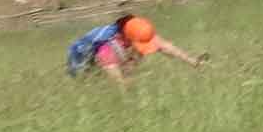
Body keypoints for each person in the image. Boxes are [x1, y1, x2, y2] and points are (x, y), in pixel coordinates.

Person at [65, 12, 206, 85]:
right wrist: (147, 81)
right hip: (84, 68)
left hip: (117, 54)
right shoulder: (107, 48)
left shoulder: (138, 32)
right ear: (127, 37)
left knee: (132, 60)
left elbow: (166, 47)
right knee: (100, 84)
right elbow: (119, 84)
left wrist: (194, 62)